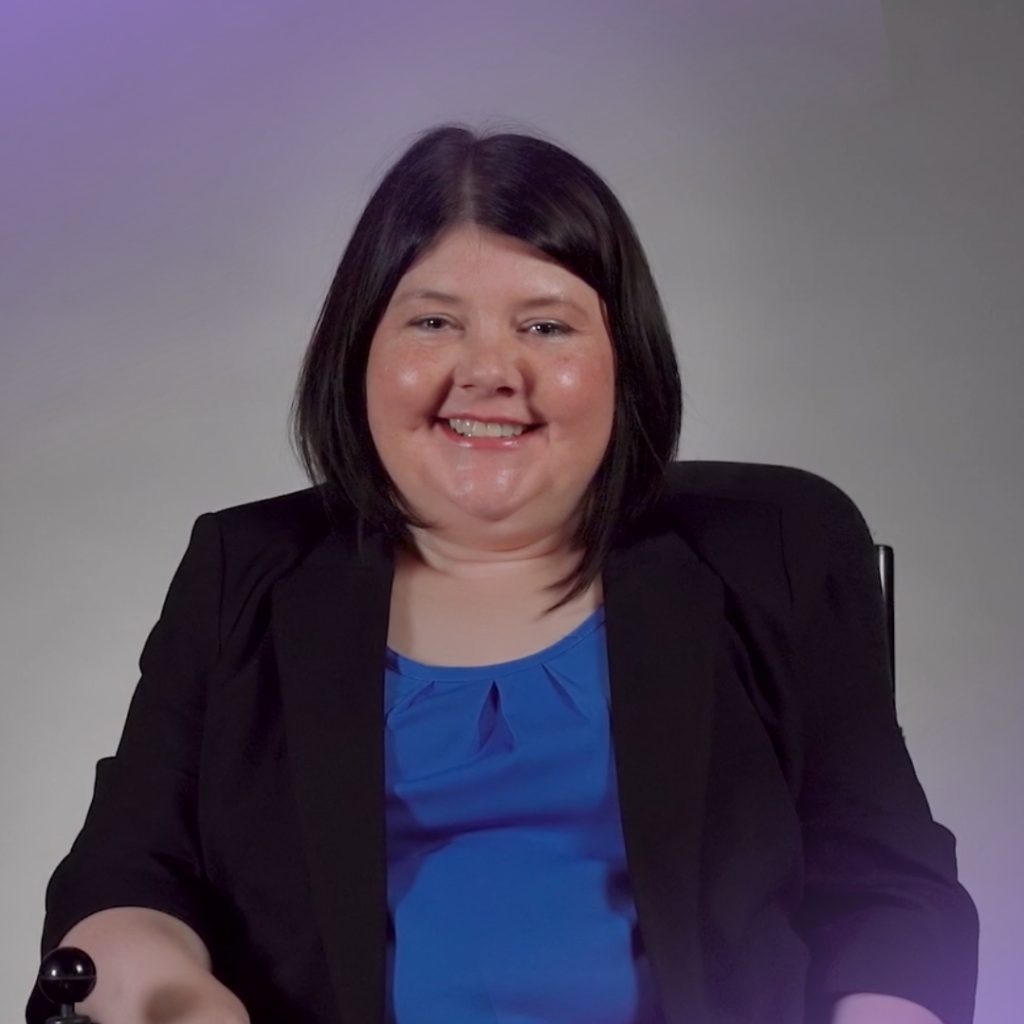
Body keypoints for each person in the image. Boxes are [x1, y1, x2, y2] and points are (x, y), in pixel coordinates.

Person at [26, 123, 978, 1024]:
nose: (490, 371)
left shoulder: (779, 549)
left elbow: (890, 891)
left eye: (548, 327)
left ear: (624, 363)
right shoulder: (244, 570)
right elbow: (122, 880)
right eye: (435, 321)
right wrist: (171, 997)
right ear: (361, 353)